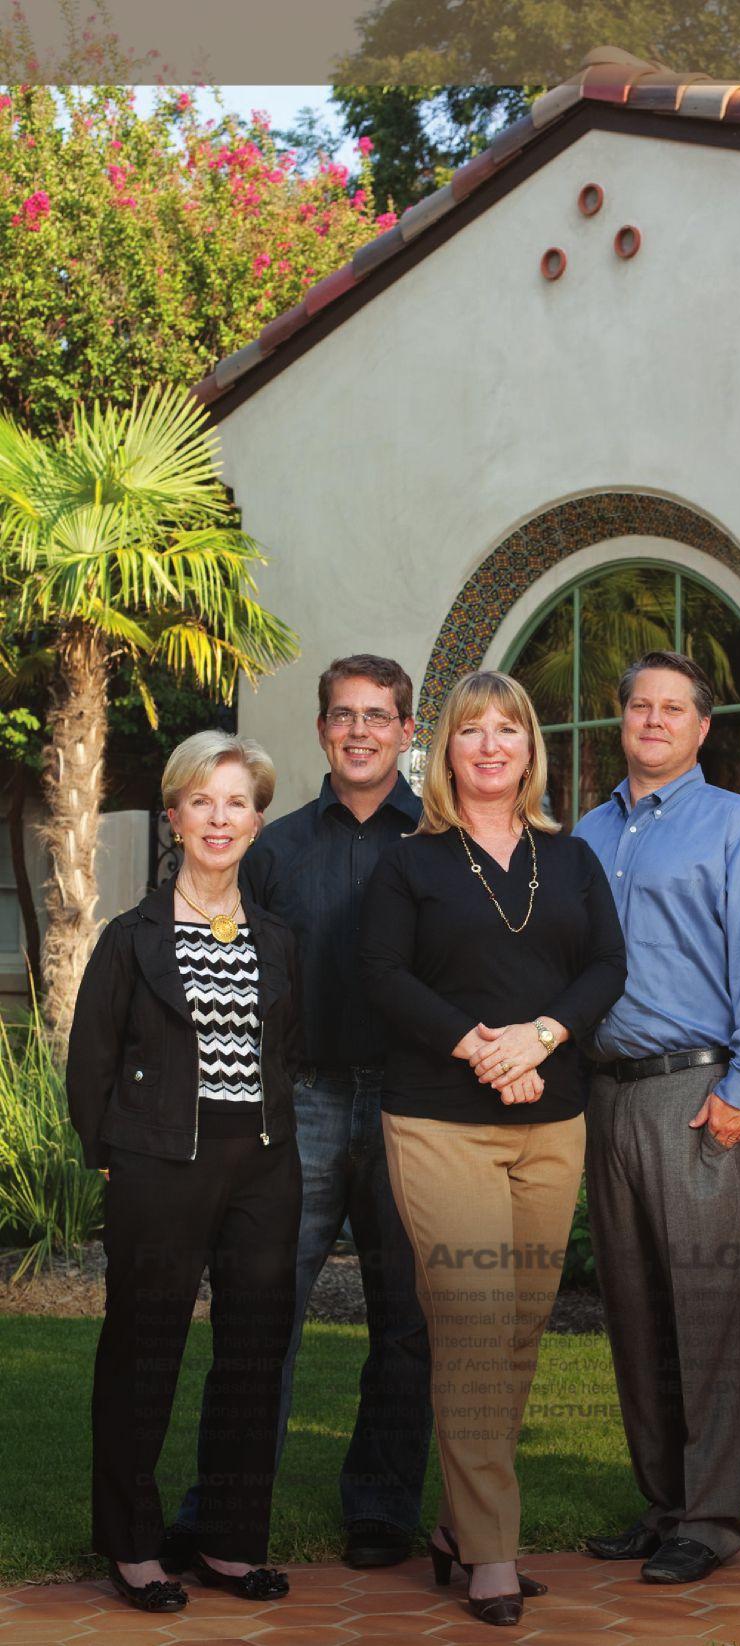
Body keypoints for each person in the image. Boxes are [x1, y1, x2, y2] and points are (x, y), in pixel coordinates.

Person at [358, 670, 626, 1628]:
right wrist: (482, 1048)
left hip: (551, 1120)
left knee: (519, 1328)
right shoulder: (411, 865)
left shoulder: (573, 858)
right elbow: (380, 973)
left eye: (507, 728)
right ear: (447, 751)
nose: (490, 745)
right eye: (472, 730)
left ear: (529, 749)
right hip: (441, 1120)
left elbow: (607, 965)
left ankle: (456, 1526)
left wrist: (541, 1038)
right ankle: (492, 1552)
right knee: (474, 1322)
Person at [169, 655, 433, 1571]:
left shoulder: (437, 842)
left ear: (407, 731)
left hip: (409, 1105)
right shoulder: (274, 849)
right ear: (322, 730)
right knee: (261, 1313)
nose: (359, 731)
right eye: (342, 715)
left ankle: (383, 1508)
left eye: (377, 716)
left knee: (406, 1321)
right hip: (303, 1102)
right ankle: (221, 1510)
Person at [575, 650, 740, 1585]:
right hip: (606, 1091)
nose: (655, 720)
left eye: (674, 708)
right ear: (622, 717)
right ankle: (663, 1501)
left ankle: (711, 1518)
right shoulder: (587, 834)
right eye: (641, 705)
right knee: (632, 1306)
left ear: (702, 728)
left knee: (707, 1305)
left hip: (696, 1090)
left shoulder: (737, 825)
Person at [67, 731, 301, 1612]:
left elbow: (288, 1049)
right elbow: (90, 1063)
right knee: (144, 1351)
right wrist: (111, 1158)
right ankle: (132, 1547)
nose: (219, 818)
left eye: (237, 802)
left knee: (253, 1356)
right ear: (173, 816)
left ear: (257, 822)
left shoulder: (278, 940)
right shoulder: (132, 939)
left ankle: (229, 1545)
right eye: (202, 800)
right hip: (160, 1164)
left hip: (264, 1168)